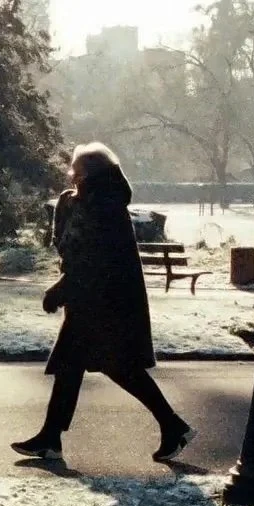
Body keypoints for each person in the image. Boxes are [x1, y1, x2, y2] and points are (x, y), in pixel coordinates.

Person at [14, 143, 194, 465]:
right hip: (92, 304)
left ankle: (172, 426)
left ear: (90, 174)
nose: (71, 175)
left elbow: (92, 261)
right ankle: (51, 437)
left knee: (116, 368)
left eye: (76, 171)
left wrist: (60, 290)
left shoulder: (105, 207)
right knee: (83, 367)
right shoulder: (87, 204)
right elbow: (75, 251)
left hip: (105, 306)